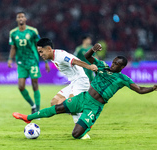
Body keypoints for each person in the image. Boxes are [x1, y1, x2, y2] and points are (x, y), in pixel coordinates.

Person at [12, 43, 157, 139]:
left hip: (94, 106)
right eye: (113, 62)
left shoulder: (123, 78)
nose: (113, 65)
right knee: (57, 107)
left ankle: (89, 123)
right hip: (83, 97)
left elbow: (140, 90)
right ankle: (28, 117)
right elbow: (87, 57)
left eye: (117, 64)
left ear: (122, 67)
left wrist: (153, 88)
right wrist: (93, 49)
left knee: (76, 135)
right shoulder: (102, 66)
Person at [8, 12, 50, 114]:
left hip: (32, 61)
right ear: (17, 20)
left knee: (34, 85)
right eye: (19, 17)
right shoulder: (13, 33)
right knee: (21, 87)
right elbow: (13, 47)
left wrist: (45, 60)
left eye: (22, 16)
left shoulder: (33, 31)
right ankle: (33, 105)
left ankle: (38, 110)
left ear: (25, 18)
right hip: (21, 63)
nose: (21, 18)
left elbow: (39, 46)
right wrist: (10, 59)